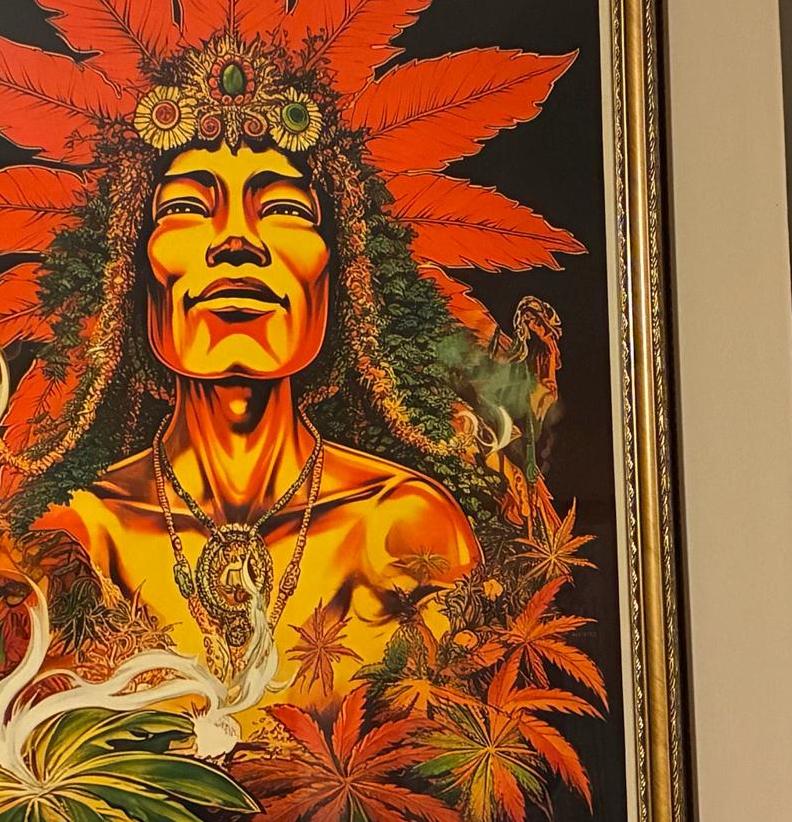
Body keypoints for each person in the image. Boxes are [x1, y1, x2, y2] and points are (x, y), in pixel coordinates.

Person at [41, 130, 477, 692]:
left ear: (338, 279)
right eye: (185, 207)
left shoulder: (408, 527)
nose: (237, 242)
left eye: (284, 209)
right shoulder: (77, 535)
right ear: (135, 277)